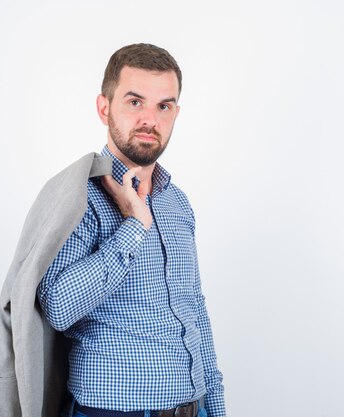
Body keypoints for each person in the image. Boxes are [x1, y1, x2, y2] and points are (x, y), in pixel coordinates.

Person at [36, 43, 225, 417]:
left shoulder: (177, 203)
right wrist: (134, 225)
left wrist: (215, 405)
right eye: (135, 102)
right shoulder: (79, 198)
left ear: (176, 113)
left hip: (194, 406)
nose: (150, 120)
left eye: (164, 106)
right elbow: (57, 307)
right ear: (104, 108)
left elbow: (195, 309)